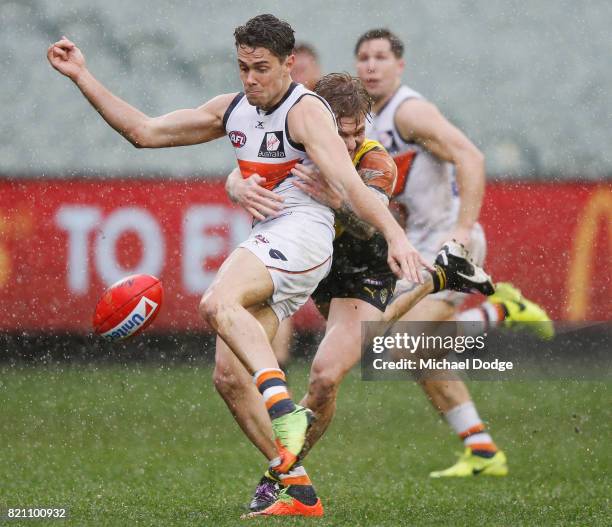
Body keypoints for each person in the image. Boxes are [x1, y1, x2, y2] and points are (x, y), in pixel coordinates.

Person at [48, 14, 431, 518]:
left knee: (216, 301)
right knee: (228, 378)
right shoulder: (233, 110)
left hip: (303, 236)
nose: (250, 79)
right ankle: (296, 487)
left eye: (262, 68)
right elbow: (143, 131)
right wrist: (82, 75)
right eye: (243, 67)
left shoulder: (306, 110)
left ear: (289, 65)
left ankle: (284, 412)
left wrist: (397, 236)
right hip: (274, 241)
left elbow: (354, 186)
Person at [225, 73, 495, 516]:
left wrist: (337, 200)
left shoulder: (376, 162)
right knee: (230, 376)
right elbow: (247, 159)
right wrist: (234, 184)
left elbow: (371, 225)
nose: (350, 144)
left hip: (364, 272)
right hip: (315, 268)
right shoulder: (295, 138)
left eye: (358, 132)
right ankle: (437, 279)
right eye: (341, 134)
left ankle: (284, 478)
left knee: (326, 377)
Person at [355, 28, 553, 478]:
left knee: (397, 346)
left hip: (447, 247)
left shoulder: (409, 111)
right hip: (415, 251)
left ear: (399, 66)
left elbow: (472, 157)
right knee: (417, 352)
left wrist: (462, 230)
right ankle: (481, 449)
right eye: (363, 57)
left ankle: (498, 311)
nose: (371, 65)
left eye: (381, 57)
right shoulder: (369, 122)